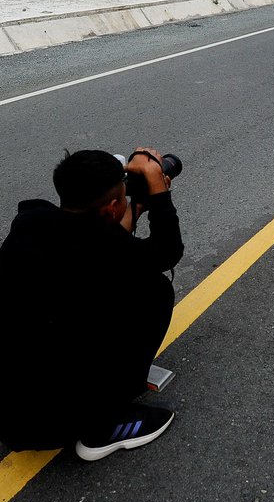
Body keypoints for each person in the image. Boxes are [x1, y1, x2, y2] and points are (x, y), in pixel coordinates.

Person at [0, 147, 184, 461]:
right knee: (155, 291)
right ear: (111, 208)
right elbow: (167, 252)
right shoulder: (109, 253)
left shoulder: (31, 221)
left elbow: (98, 245)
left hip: (7, 403)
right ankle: (104, 426)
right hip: (44, 423)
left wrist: (130, 208)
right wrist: (157, 190)